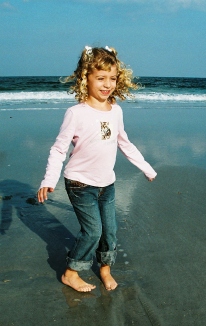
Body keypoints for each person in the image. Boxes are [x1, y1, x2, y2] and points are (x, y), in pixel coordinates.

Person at [37, 45, 157, 292]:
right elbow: (59, 149)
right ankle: (71, 272)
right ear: (85, 78)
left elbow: (124, 142)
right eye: (100, 78)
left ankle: (104, 269)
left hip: (107, 184)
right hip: (80, 184)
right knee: (92, 232)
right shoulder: (76, 113)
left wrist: (146, 167)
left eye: (112, 78)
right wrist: (48, 179)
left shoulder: (116, 111)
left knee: (109, 232)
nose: (107, 84)